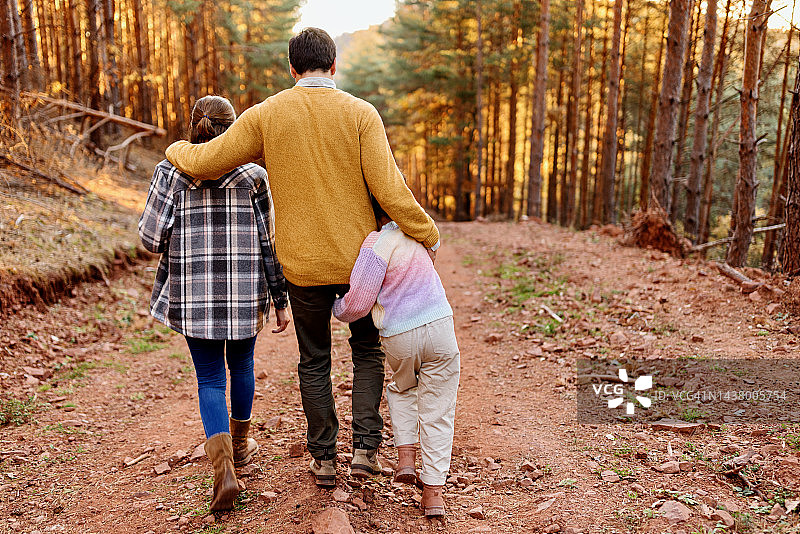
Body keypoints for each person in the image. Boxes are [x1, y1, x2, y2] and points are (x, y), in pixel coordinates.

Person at [163, 28, 440, 487]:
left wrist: (175, 148)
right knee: (366, 351)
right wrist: (425, 233)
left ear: (291, 69)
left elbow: (207, 161)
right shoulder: (361, 114)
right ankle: (367, 451)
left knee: (314, 360)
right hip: (361, 267)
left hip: (303, 267)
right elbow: (390, 190)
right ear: (334, 66)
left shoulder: (268, 114)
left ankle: (324, 458)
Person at [139, 95, 290, 512]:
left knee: (209, 379)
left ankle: (222, 468)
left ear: (194, 126)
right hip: (244, 294)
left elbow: (150, 239)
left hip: (193, 295)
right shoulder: (253, 176)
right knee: (241, 366)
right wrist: (280, 300)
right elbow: (268, 243)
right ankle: (240, 448)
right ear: (234, 127)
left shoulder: (170, 173)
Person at [332, 196, 459, 517]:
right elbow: (434, 244)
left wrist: (336, 308)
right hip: (440, 327)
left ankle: (405, 458)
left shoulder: (376, 244)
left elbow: (359, 302)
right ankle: (433, 494)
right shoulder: (419, 233)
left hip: (400, 335)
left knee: (402, 390)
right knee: (439, 410)